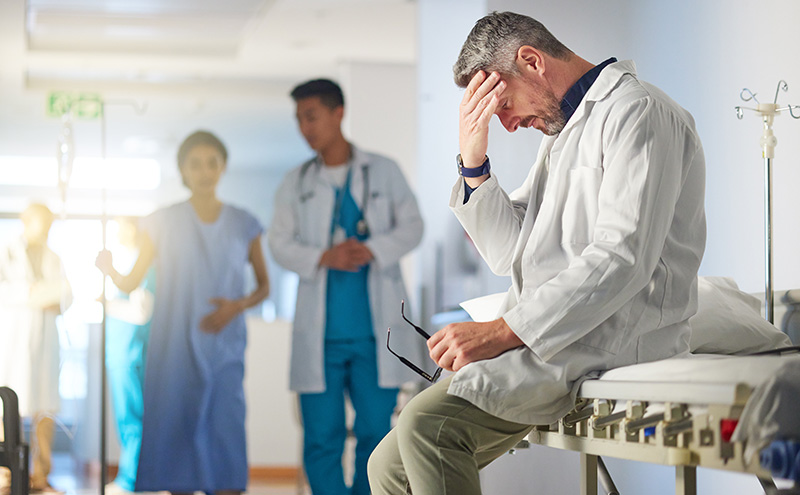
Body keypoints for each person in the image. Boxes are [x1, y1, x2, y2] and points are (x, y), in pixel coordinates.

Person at [368, 11, 707, 495]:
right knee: (386, 465)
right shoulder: (564, 134)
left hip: (613, 335)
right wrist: (473, 162)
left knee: (429, 425)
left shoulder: (640, 112)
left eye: (503, 105)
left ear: (531, 61)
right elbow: (510, 251)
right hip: (557, 336)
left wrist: (501, 332)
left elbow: (622, 258)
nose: (508, 125)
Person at [268, 79, 424, 495]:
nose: (305, 128)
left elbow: (413, 227)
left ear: (338, 113)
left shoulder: (384, 171)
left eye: (311, 116)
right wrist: (323, 256)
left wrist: (372, 249)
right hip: (322, 339)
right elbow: (278, 244)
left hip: (376, 336)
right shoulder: (295, 182)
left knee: (376, 434)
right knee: (322, 437)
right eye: (300, 119)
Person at [95, 130, 270, 495]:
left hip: (224, 349)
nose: (204, 171)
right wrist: (108, 268)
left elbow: (263, 287)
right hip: (173, 350)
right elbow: (131, 282)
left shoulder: (243, 223)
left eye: (212, 163)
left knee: (226, 434)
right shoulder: (160, 221)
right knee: (178, 445)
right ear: (183, 171)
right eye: (195, 164)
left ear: (223, 168)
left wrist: (236, 306)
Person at [0, 203, 72, 494]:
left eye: (49, 225)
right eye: (40, 224)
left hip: (45, 343)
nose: (45, 231)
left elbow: (66, 295)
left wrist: (46, 296)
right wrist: (31, 293)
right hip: (15, 339)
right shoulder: (7, 252)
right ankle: (5, 474)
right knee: (7, 408)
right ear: (25, 221)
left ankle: (41, 476)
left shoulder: (54, 258)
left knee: (45, 410)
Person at [103, 217, 156, 495]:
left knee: (132, 418)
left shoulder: (143, 266)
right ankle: (131, 477)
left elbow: (142, 312)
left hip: (130, 354)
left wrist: (107, 305)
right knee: (126, 418)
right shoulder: (128, 265)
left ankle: (131, 479)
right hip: (121, 353)